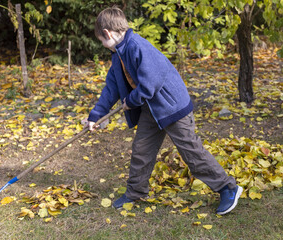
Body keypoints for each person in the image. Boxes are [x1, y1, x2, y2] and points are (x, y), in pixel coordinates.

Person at [86, 6, 242, 215]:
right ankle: (135, 191)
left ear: (107, 33)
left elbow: (152, 82)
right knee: (142, 150)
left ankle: (227, 188)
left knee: (191, 152)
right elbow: (111, 88)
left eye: (102, 40)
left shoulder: (137, 46)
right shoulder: (118, 55)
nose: (104, 45)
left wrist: (131, 101)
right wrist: (96, 116)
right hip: (151, 109)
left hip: (172, 107)